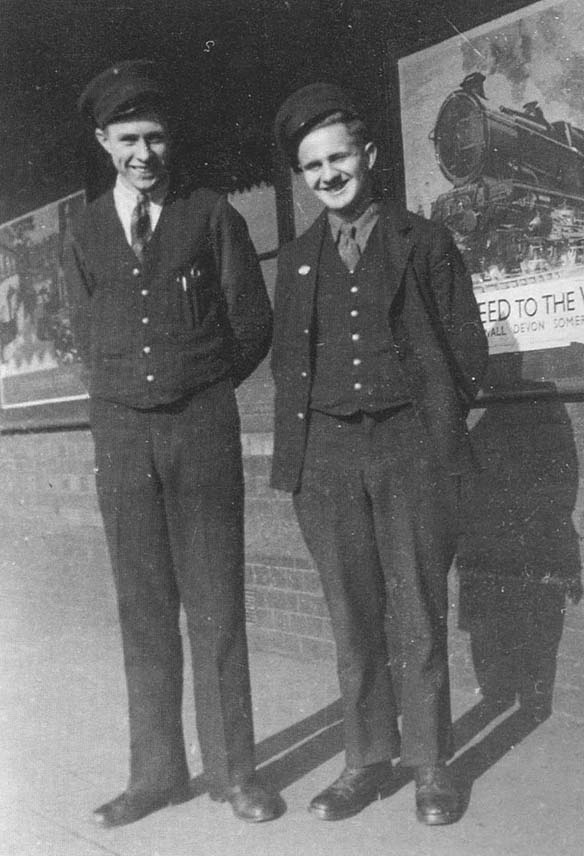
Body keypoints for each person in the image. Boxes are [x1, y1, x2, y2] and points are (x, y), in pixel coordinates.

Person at [66, 60, 279, 827]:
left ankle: (234, 773)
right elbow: (86, 331)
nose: (144, 155)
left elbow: (251, 323)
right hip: (122, 440)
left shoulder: (210, 213)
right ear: (103, 141)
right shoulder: (82, 229)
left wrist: (200, 384)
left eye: (155, 137)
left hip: (201, 432)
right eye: (128, 139)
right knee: (143, 608)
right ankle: (157, 774)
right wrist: (132, 391)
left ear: (170, 138)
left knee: (217, 603)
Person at [271, 83, 488, 826]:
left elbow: (467, 350)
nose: (328, 174)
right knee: (352, 613)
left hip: (410, 449)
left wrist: (433, 428)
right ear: (303, 178)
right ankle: (366, 760)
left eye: (339, 158)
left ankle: (431, 766)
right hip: (327, 457)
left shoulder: (422, 241)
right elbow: (287, 366)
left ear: (368, 156)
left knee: (419, 611)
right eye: (313, 166)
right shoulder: (297, 260)